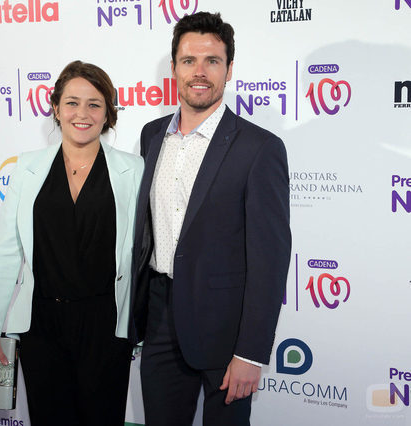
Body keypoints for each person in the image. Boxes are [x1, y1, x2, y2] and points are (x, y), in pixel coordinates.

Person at [129, 12, 291, 426]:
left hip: (227, 329)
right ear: (174, 68)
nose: (199, 72)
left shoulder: (260, 148)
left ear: (229, 69)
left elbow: (270, 261)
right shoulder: (151, 135)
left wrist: (250, 352)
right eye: (189, 61)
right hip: (159, 319)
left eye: (212, 61)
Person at [0, 60, 144, 426]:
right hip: (41, 326)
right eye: (71, 102)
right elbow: (7, 252)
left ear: (108, 113)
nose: (81, 113)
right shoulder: (27, 168)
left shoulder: (134, 170)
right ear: (55, 108)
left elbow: (143, 255)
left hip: (106, 326)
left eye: (94, 104)